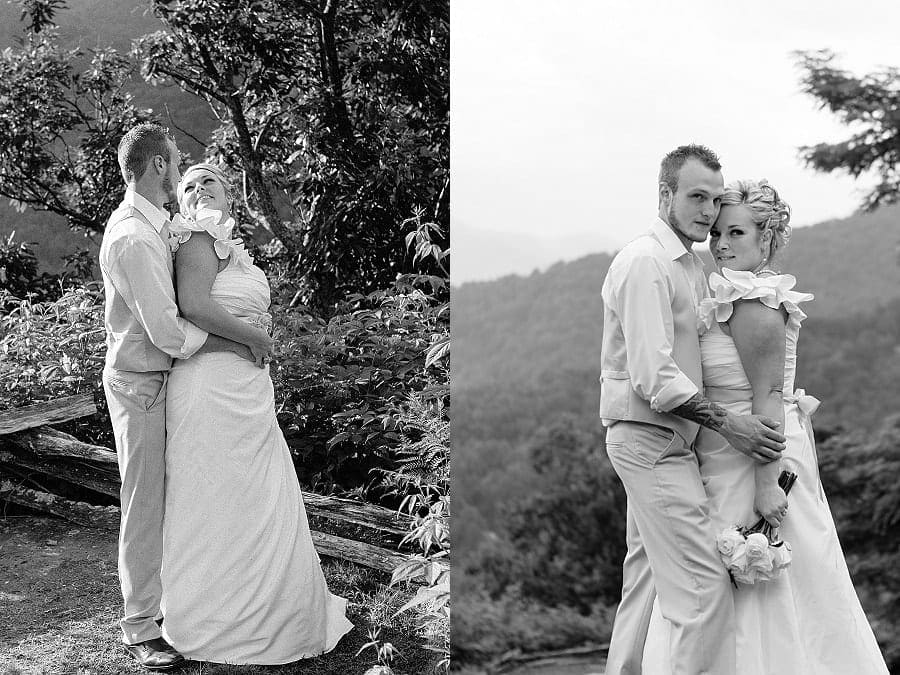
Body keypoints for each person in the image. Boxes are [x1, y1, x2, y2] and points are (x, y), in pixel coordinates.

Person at [641, 179, 889, 674]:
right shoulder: (729, 294)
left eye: (736, 233)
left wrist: (765, 484)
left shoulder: (755, 300)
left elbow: (768, 396)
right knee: (717, 584)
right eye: (716, 234)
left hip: (756, 462)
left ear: (766, 239)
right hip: (725, 453)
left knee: (764, 590)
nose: (721, 244)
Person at [599, 144, 787, 675]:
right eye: (696, 197)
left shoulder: (691, 266)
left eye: (713, 199)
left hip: (671, 442)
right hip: (650, 439)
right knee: (704, 592)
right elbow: (653, 377)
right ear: (666, 195)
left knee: (646, 583)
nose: (708, 211)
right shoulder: (646, 263)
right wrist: (733, 424)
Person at [157, 163, 353, 664]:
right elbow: (194, 305)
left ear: (230, 194)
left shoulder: (233, 247)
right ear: (179, 200)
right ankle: (215, 616)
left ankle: (273, 607)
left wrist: (254, 336)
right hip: (209, 388)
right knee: (216, 492)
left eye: (210, 182)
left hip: (247, 386)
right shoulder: (196, 238)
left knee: (256, 492)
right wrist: (254, 336)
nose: (199, 189)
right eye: (188, 184)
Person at [99, 123, 270, 670]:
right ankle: (140, 626)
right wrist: (239, 339)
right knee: (144, 499)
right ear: (157, 167)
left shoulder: (160, 224)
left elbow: (198, 245)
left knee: (187, 491)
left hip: (171, 378)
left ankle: (202, 594)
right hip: (143, 382)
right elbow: (168, 333)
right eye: (176, 162)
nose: (182, 171)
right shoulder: (132, 237)